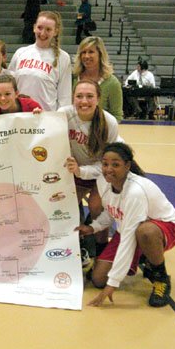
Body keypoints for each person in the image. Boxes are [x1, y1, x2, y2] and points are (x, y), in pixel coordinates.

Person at [76, 142, 175, 308]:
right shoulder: (104, 182)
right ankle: (145, 254)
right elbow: (112, 212)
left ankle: (160, 277)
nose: (109, 169)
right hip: (130, 228)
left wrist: (112, 285)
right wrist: (93, 227)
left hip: (163, 227)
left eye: (115, 165)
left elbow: (128, 238)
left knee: (145, 232)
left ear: (127, 166)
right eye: (105, 164)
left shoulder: (135, 192)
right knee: (98, 279)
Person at [63, 80, 120, 266]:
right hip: (74, 173)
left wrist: (81, 171)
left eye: (89, 96)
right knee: (65, 204)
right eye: (79, 96)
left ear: (98, 99)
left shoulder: (109, 123)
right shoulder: (62, 115)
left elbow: (106, 164)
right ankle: (77, 247)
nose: (84, 101)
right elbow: (41, 128)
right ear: (73, 98)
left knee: (97, 206)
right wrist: (39, 117)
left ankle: (102, 248)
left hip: (99, 174)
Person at [9, 11, 72, 111]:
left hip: (46, 119)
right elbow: (8, 85)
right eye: (40, 27)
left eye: (48, 29)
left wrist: (61, 121)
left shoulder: (63, 58)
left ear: (55, 32)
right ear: (34, 27)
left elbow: (65, 97)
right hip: (19, 116)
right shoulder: (20, 53)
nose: (43, 33)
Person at [73, 36, 123, 122]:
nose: (86, 56)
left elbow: (117, 116)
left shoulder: (112, 83)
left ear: (100, 54)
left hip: (100, 132)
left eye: (91, 52)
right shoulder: (72, 78)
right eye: (83, 52)